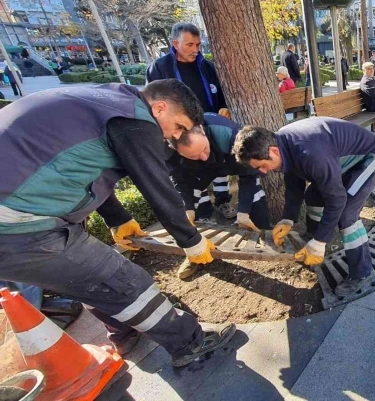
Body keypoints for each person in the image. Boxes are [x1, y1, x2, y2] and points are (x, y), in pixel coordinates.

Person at [0, 80, 236, 366]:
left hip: (19, 212)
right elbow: (156, 185)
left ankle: (125, 333)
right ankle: (190, 343)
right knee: (122, 280)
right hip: (19, 224)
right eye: (179, 126)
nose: (176, 136)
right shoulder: (136, 119)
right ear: (159, 108)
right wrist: (191, 241)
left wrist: (118, 218)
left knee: (85, 277)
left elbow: (89, 173)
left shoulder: (107, 101)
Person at [235, 118, 375, 297]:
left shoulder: (311, 153)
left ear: (273, 152)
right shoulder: (283, 145)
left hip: (367, 156)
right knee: (313, 196)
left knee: (346, 215)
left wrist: (321, 241)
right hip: (335, 158)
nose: (264, 172)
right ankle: (312, 239)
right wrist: (287, 218)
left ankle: (362, 272)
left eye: (263, 166)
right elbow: (294, 183)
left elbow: (336, 199)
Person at [167, 113, 270, 279]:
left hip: (227, 159)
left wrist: (243, 212)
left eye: (203, 149)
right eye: (194, 154)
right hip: (199, 172)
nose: (203, 156)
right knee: (191, 213)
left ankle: (267, 237)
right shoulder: (168, 150)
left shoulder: (229, 134)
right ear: (174, 148)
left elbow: (248, 175)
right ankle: (195, 254)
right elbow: (180, 181)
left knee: (254, 196)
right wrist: (187, 207)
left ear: (201, 130)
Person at [147, 22, 229, 117]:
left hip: (212, 125)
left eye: (197, 45)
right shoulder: (159, 68)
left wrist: (225, 107)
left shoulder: (208, 67)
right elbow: (153, 102)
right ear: (176, 44)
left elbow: (223, 94)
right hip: (180, 129)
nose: (195, 50)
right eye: (190, 45)